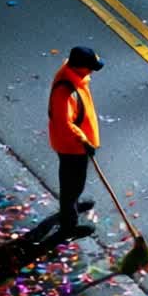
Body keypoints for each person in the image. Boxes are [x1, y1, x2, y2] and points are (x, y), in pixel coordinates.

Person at [48, 46, 104, 237]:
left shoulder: (74, 76)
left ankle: (73, 205)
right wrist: (84, 142)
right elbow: (65, 124)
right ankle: (68, 226)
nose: (91, 72)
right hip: (71, 147)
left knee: (75, 183)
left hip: (77, 145)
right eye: (90, 67)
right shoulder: (65, 91)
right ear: (79, 67)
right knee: (71, 186)